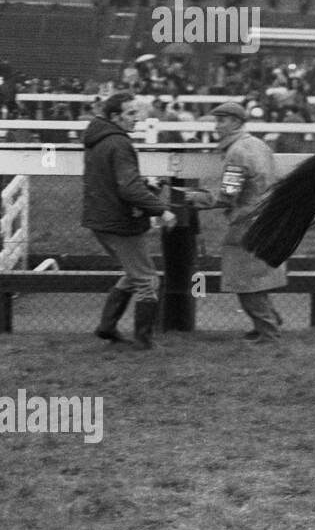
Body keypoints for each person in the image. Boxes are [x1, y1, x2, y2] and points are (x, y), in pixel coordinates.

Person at [181, 102, 288, 342]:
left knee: (243, 279)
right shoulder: (258, 145)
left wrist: (195, 197)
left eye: (222, 121)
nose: (217, 126)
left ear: (236, 122)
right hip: (268, 218)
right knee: (257, 276)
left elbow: (228, 195)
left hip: (246, 222)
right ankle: (270, 320)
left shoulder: (237, 152)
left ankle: (269, 331)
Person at [82, 92, 177, 349]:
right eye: (131, 114)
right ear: (116, 117)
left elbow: (113, 181)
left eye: (138, 112)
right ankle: (144, 340)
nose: (138, 118)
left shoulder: (99, 139)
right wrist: (161, 210)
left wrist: (146, 184)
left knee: (133, 274)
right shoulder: (119, 143)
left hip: (100, 218)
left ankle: (107, 327)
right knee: (147, 280)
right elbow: (127, 189)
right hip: (119, 221)